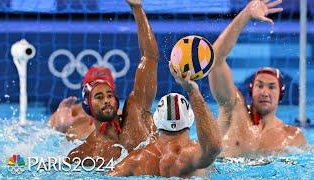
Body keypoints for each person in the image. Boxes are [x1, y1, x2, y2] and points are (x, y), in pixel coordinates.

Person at [66, 0, 159, 165]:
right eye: (99, 97)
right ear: (87, 106)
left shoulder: (136, 113)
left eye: (109, 95)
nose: (106, 100)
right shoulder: (85, 152)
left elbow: (150, 57)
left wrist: (137, 8)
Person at [209, 0, 306, 156]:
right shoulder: (233, 110)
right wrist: (246, 15)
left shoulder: (292, 136)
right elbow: (215, 60)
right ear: (251, 89)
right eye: (259, 85)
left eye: (272, 87)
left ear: (281, 93)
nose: (265, 92)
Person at [107, 64, 222, 177]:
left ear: (156, 120)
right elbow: (214, 147)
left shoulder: (135, 159)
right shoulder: (190, 154)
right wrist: (193, 92)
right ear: (190, 119)